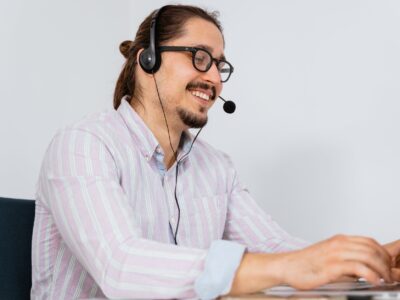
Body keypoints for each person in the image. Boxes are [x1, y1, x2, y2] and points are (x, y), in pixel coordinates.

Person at [31, 4, 400, 300]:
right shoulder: (83, 145)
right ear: (148, 61)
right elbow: (121, 266)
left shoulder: (216, 166)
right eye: (199, 56)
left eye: (219, 65)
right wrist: (290, 268)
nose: (215, 78)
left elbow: (274, 246)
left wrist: (364, 263)